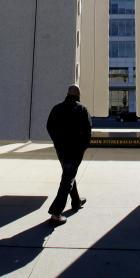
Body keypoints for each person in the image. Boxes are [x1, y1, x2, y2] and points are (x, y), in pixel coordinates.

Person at [46, 84, 92, 225]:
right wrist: (83, 147)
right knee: (68, 178)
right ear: (78, 95)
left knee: (68, 174)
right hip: (75, 150)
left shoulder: (57, 108)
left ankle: (76, 201)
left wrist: (57, 142)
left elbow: (49, 126)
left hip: (61, 149)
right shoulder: (82, 109)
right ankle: (56, 212)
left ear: (67, 94)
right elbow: (88, 130)